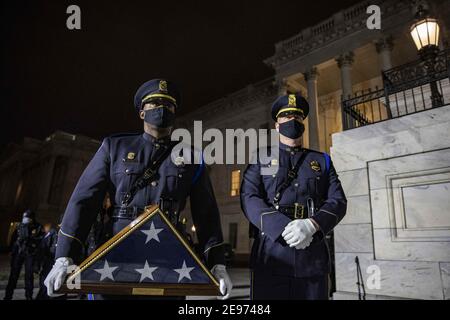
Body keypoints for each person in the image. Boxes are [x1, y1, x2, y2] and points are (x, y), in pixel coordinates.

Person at [44, 79, 232, 299]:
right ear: (142, 113)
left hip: (168, 258)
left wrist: (217, 264)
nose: (162, 108)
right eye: (154, 104)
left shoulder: (191, 157)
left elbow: (206, 213)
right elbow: (84, 201)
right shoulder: (114, 147)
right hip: (116, 253)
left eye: (168, 105)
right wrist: (65, 257)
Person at [240, 93, 347, 300]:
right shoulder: (262, 159)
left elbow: (338, 200)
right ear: (277, 125)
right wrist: (281, 227)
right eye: (286, 116)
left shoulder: (322, 160)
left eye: (297, 116)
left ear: (303, 122)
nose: (292, 120)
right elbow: (249, 196)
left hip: (312, 255)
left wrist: (312, 225)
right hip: (272, 253)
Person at [4, 210, 44, 300]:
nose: (25, 219)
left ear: (32, 218)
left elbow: (41, 240)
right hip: (19, 252)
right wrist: (11, 250)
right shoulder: (19, 226)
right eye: (24, 217)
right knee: (13, 275)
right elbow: (13, 239)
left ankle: (28, 296)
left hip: (30, 253)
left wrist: (32, 240)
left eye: (28, 218)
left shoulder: (38, 227)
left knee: (29, 276)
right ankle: (8, 296)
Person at [35, 223, 58, 300]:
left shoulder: (53, 233)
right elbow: (42, 249)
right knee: (46, 286)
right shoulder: (53, 233)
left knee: (47, 285)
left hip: (52, 263)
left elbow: (42, 249)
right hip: (50, 263)